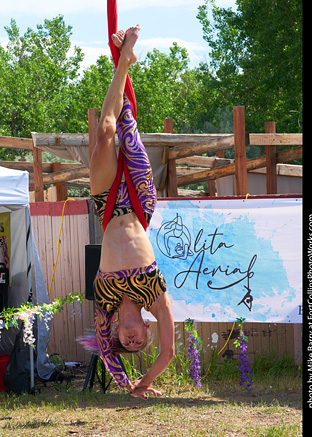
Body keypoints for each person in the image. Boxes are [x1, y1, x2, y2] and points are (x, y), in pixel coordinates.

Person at [89, 25, 175, 400]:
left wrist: (128, 385)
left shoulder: (105, 303)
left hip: (106, 203)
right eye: (139, 343)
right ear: (146, 330)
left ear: (115, 335)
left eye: (127, 344)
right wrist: (148, 381)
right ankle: (125, 63)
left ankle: (123, 62)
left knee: (105, 131)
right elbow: (170, 352)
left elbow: (108, 356)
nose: (132, 341)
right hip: (140, 202)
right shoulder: (154, 297)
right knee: (126, 124)